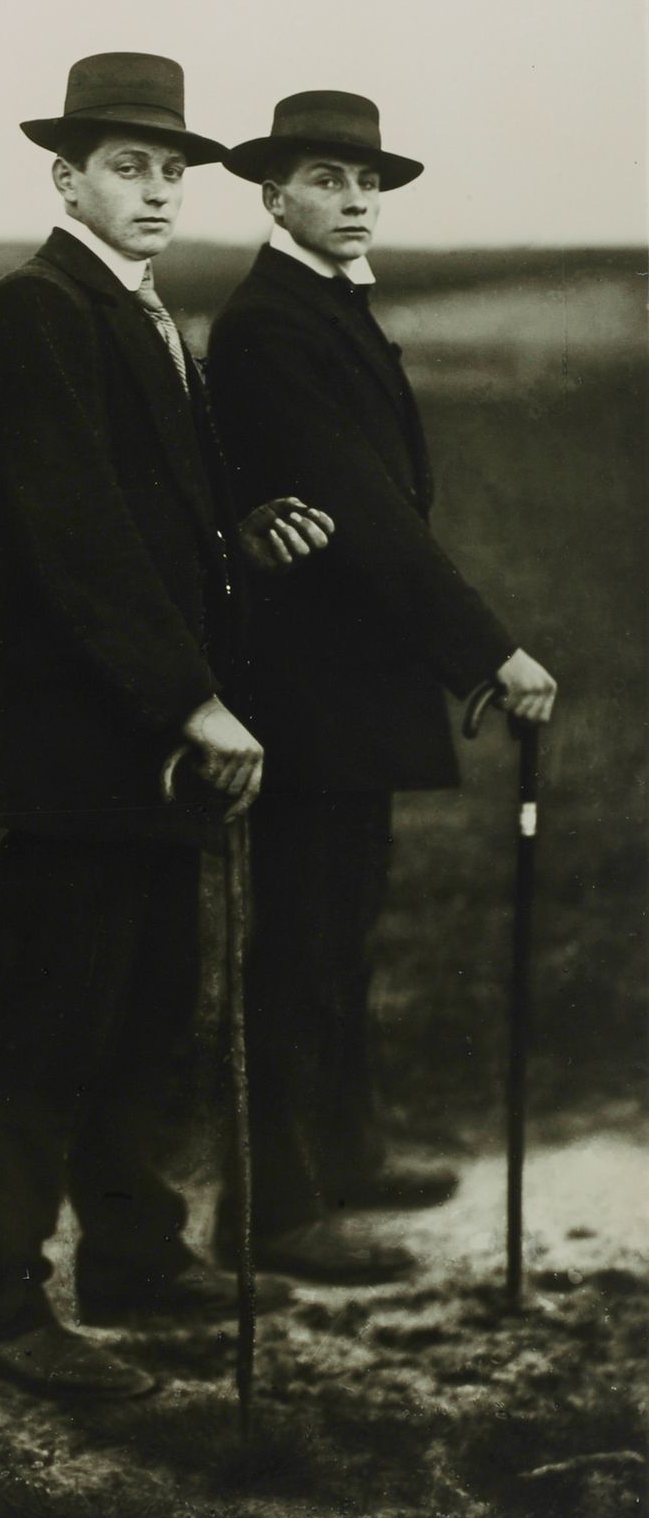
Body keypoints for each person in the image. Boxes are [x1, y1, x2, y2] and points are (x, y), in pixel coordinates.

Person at [0, 53, 331, 1401]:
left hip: (148, 741)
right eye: (128, 167)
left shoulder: (144, 310)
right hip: (78, 743)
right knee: (43, 1022)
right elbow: (78, 538)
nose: (158, 190)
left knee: (148, 1009)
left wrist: (240, 535)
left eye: (171, 170)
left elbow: (155, 517)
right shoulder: (35, 310)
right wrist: (191, 698)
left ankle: (133, 1256)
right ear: (68, 176)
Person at [207, 90, 557, 1283]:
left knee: (340, 931)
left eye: (366, 184)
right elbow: (360, 509)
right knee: (301, 941)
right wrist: (485, 651)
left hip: (350, 683)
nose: (352, 200)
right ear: (272, 196)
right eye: (325, 180)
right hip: (305, 686)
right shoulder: (268, 325)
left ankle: (344, 1152)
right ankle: (272, 1206)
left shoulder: (325, 308)